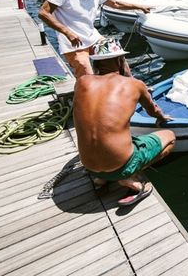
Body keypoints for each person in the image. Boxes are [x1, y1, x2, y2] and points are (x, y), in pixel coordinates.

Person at [73, 69, 175, 206]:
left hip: (89, 166)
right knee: (170, 136)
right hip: (120, 167)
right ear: (121, 63)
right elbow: (153, 111)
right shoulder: (135, 84)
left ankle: (100, 179)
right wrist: (161, 117)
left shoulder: (82, 81)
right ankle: (130, 178)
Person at [38, 0, 151, 79]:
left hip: (93, 37)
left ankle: (132, 85)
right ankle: (86, 95)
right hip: (73, 41)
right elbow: (44, 13)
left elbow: (115, 4)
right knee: (86, 74)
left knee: (117, 56)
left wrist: (139, 6)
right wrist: (67, 32)